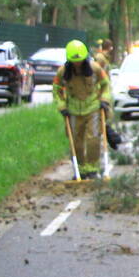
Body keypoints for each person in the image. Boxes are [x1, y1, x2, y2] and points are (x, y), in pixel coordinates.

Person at [52, 39, 112, 180]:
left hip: (92, 108)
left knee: (93, 139)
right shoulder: (62, 72)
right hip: (73, 110)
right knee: (76, 141)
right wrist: (61, 106)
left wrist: (104, 100)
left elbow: (106, 85)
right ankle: (80, 170)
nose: (77, 64)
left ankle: (92, 169)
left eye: (79, 61)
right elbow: (56, 90)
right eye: (74, 61)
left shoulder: (95, 68)